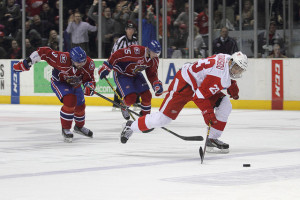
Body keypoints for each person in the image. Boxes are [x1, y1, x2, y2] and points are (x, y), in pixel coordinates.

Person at [120, 51, 248, 154]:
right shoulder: (219, 75)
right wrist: (208, 114)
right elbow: (200, 97)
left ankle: (212, 139)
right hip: (184, 84)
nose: (238, 72)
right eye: (237, 68)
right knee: (162, 119)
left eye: (240, 70)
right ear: (231, 62)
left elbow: (211, 79)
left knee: (225, 105)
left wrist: (232, 84)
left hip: (200, 85)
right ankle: (131, 126)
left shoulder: (226, 58)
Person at [13, 46, 96, 143]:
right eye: (79, 62)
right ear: (72, 60)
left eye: (83, 61)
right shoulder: (62, 59)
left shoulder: (89, 64)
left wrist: (89, 86)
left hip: (75, 84)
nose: (81, 64)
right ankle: (66, 129)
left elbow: (89, 79)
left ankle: (79, 127)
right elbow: (44, 52)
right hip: (59, 82)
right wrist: (28, 61)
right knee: (70, 100)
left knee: (81, 106)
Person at [98, 40, 163, 120]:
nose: (156, 55)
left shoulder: (154, 59)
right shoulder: (136, 51)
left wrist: (156, 84)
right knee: (130, 98)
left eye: (158, 53)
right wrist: (107, 66)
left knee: (147, 96)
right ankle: (124, 107)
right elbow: (117, 54)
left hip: (136, 74)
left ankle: (145, 119)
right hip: (122, 74)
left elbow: (152, 74)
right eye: (154, 53)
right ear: (148, 49)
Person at [110, 21, 141, 112]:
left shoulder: (135, 40)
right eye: (128, 29)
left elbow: (138, 52)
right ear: (126, 30)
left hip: (132, 65)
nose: (130, 31)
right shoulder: (121, 40)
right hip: (121, 65)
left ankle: (136, 101)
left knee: (135, 81)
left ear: (134, 30)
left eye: (131, 29)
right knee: (121, 83)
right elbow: (114, 52)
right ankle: (116, 103)